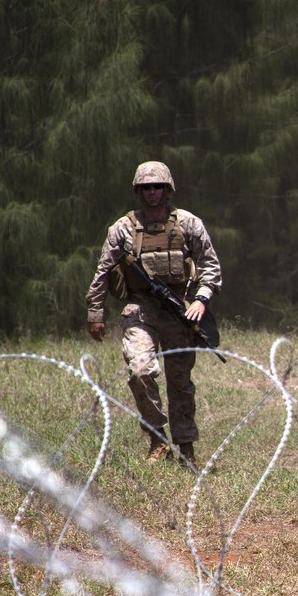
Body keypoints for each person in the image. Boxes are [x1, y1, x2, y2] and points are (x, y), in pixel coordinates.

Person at [85, 161, 222, 466]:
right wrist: (96, 312)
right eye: (146, 187)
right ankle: (157, 438)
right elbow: (103, 270)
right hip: (141, 309)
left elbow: (211, 266)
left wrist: (201, 300)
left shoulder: (188, 224)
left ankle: (185, 446)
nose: (152, 193)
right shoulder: (123, 228)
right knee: (139, 370)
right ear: (138, 190)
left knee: (180, 383)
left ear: (167, 188)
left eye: (157, 186)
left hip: (180, 311)